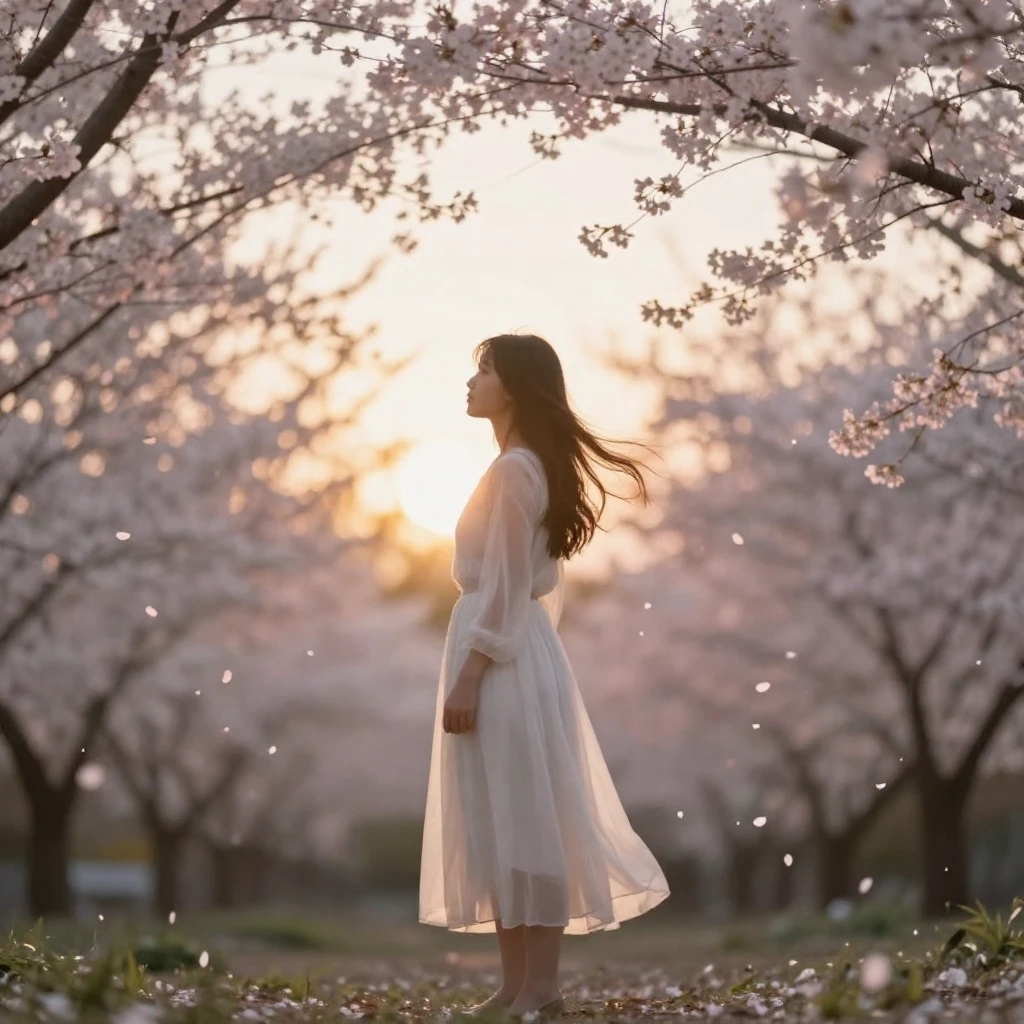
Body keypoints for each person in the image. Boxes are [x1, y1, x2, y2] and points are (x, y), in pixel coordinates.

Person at [418, 334, 671, 1020]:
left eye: (485, 370)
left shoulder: (513, 472)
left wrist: (472, 672)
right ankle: (514, 983)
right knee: (500, 813)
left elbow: (503, 588)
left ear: (517, 388)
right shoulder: (520, 468)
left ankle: (543, 986)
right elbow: (520, 588)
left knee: (526, 815)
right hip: (512, 653)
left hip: (497, 657)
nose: (470, 382)